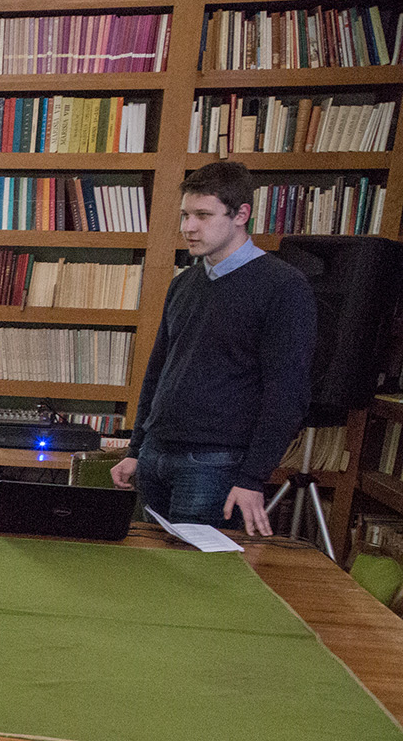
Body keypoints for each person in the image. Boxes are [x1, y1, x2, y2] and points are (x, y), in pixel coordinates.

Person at [111, 161, 317, 533]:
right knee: (148, 564)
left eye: (203, 215)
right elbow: (158, 373)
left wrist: (253, 477)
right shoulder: (183, 283)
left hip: (215, 464)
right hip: (156, 455)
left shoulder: (284, 286)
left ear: (241, 215)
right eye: (185, 215)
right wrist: (136, 450)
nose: (189, 227)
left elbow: (287, 393)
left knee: (197, 568)